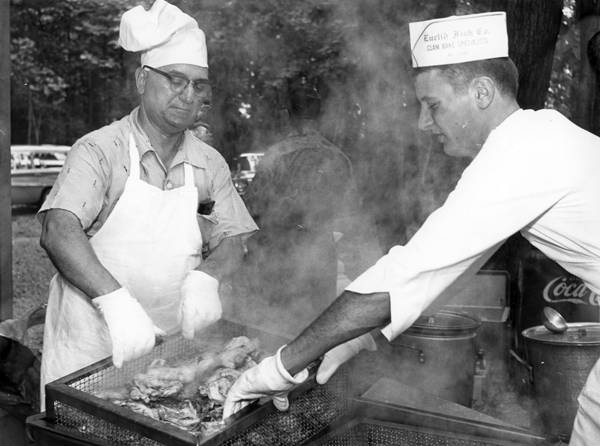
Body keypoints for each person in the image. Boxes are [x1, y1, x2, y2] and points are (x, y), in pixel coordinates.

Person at [223, 12, 600, 444]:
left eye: (433, 104)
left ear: (481, 92)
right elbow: (453, 268)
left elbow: (409, 271)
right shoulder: (534, 140)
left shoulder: (521, 153)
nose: (423, 122)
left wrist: (278, 367)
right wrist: (359, 337)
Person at [38, 0, 257, 408]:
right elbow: (58, 229)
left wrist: (208, 277)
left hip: (170, 360)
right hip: (88, 354)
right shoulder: (100, 150)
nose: (187, 95)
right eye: (175, 79)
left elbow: (234, 237)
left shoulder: (209, 163)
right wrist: (115, 302)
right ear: (142, 79)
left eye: (198, 84)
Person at [232, 75, 382, 335]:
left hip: (277, 260)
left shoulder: (276, 157)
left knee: (271, 333)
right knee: (313, 332)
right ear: (319, 116)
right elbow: (352, 221)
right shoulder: (339, 159)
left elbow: (251, 211)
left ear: (287, 114)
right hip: (320, 259)